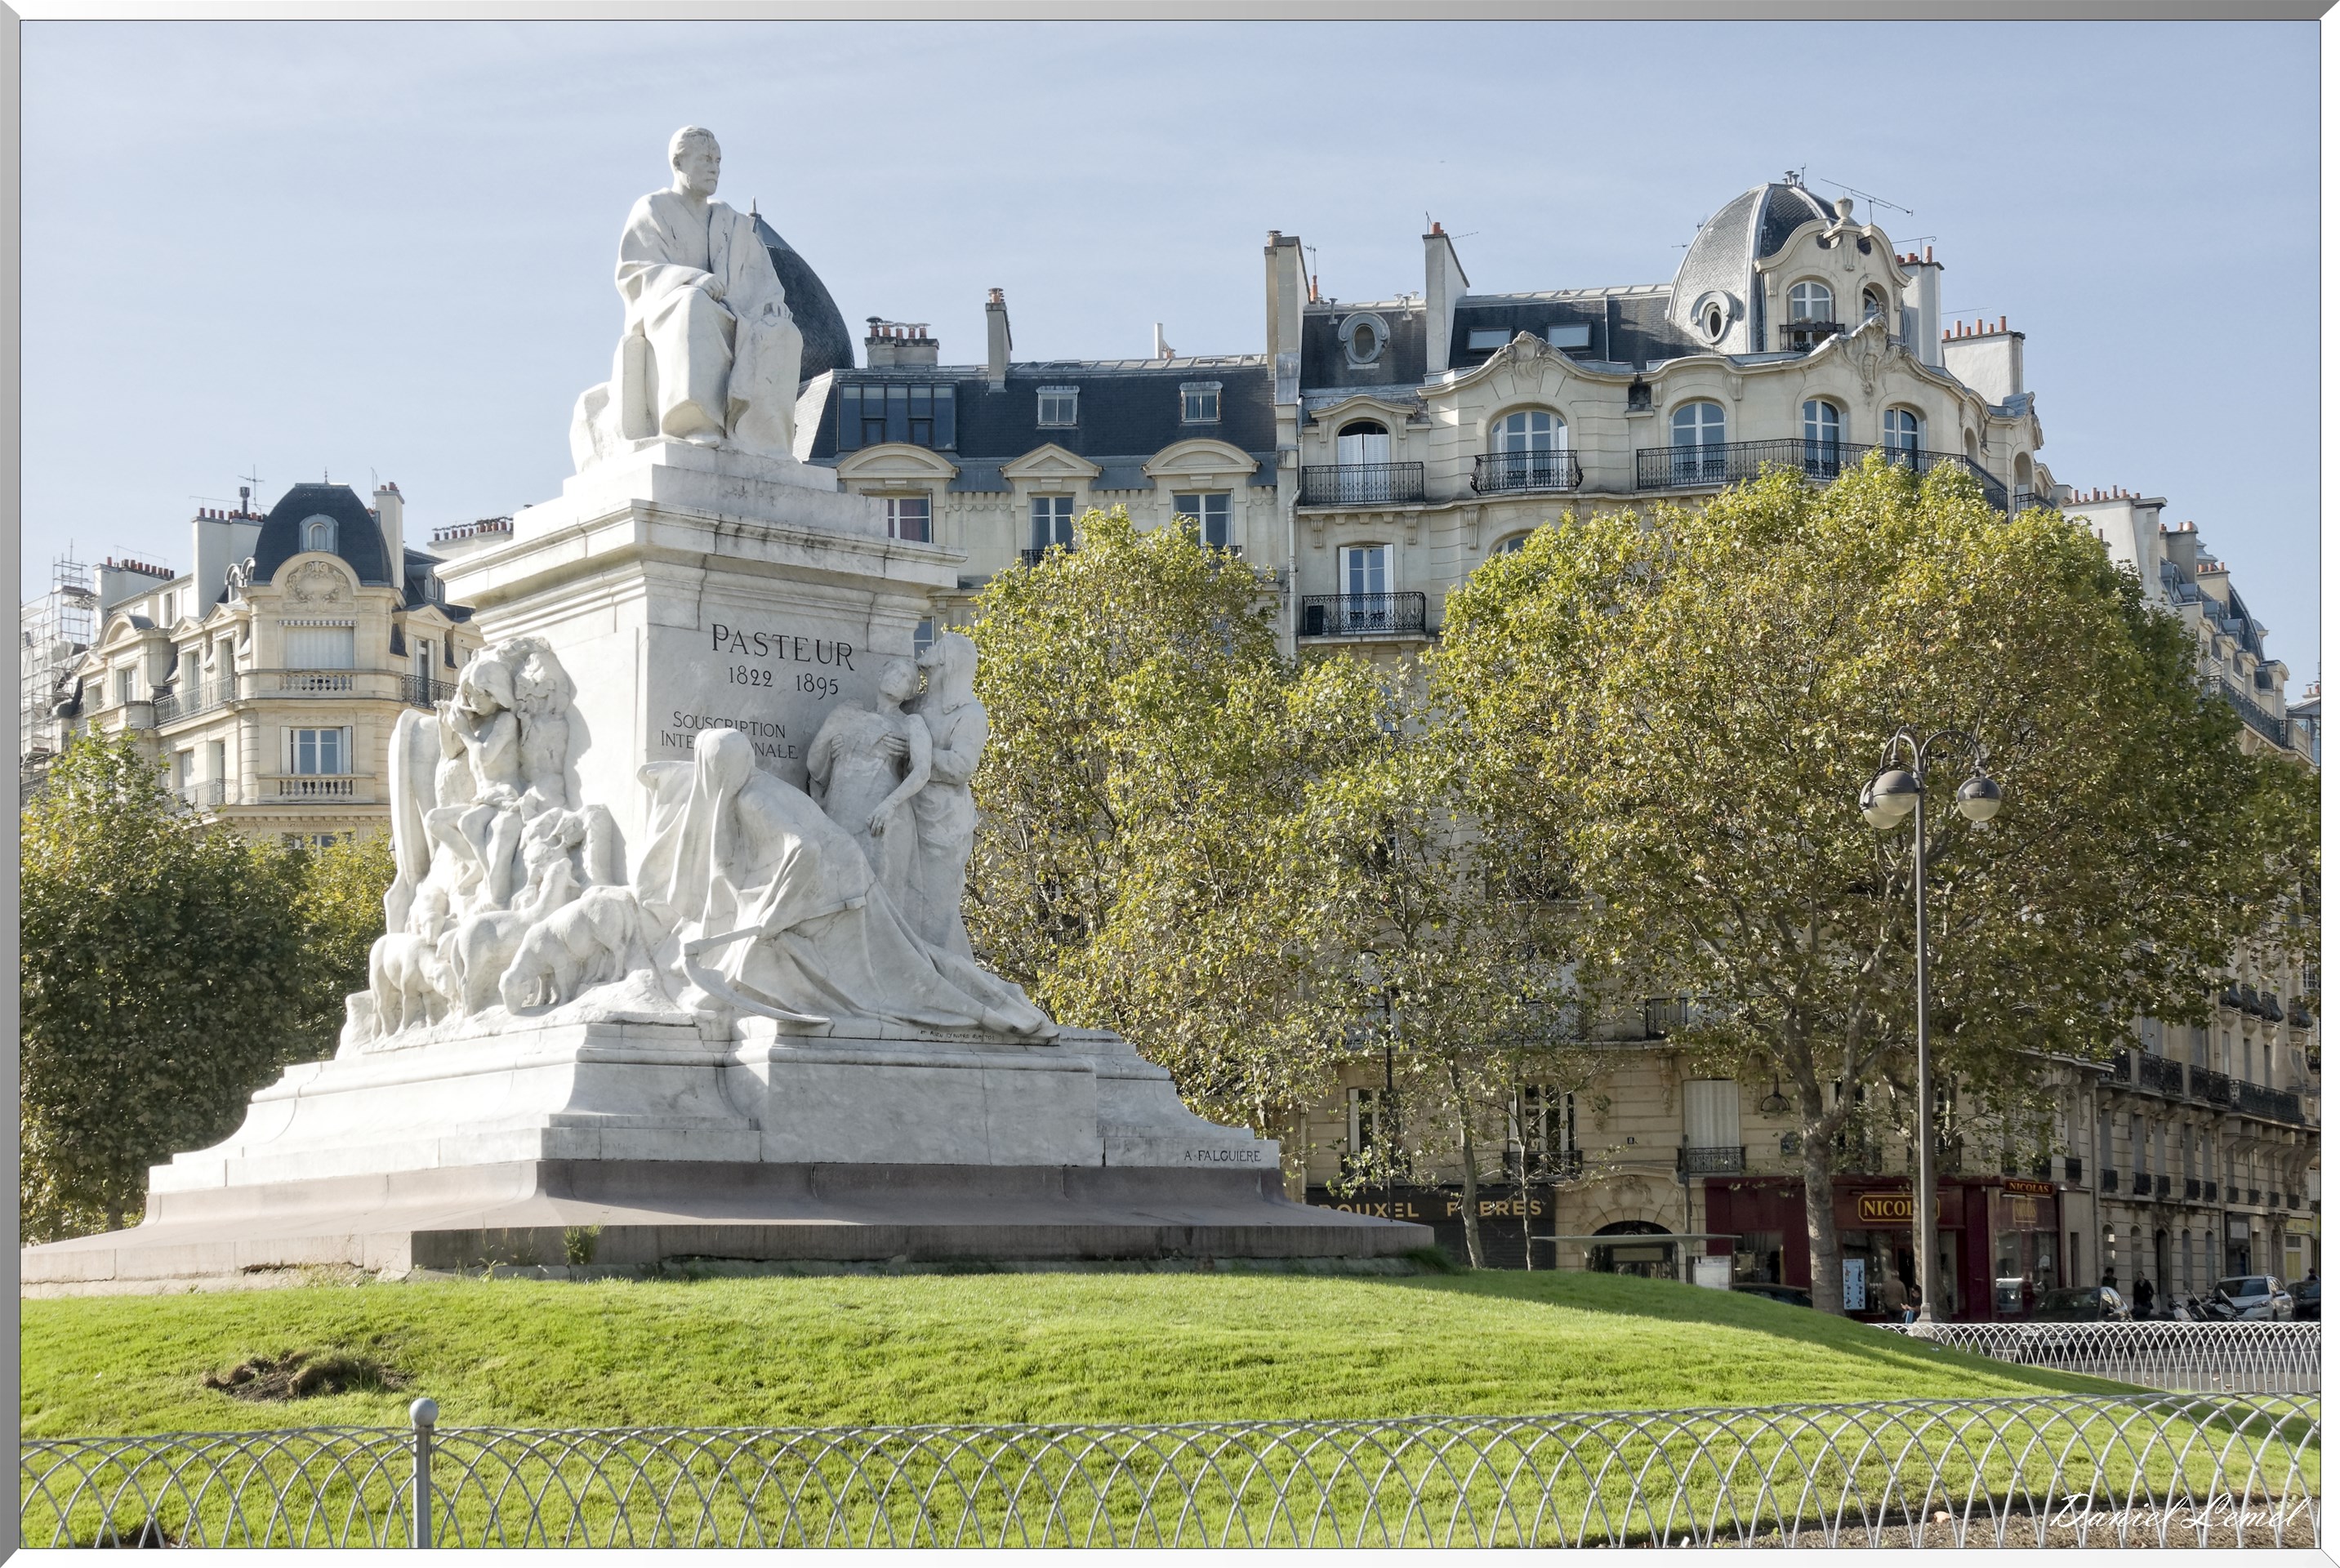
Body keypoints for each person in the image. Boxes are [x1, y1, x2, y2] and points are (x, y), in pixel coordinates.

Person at [635, 727, 1053, 1038]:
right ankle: (996, 1001)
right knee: (910, 964)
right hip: (841, 880)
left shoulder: (753, 799)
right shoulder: (759, 785)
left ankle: (994, 1009)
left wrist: (773, 917)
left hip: (835, 892)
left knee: (895, 980)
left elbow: (804, 851)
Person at [574, 126, 803, 464]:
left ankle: (763, 438)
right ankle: (694, 423)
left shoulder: (733, 222)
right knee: (692, 304)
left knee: (783, 331)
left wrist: (770, 304)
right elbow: (635, 273)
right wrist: (691, 280)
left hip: (735, 317)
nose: (714, 168)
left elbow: (763, 282)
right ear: (679, 163)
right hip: (672, 315)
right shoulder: (652, 209)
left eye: (718, 160)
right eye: (705, 159)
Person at [805, 659, 930, 901]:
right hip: (841, 808)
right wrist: (831, 751)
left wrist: (889, 805)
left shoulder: (910, 723)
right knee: (838, 885)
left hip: (881, 816)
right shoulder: (848, 713)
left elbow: (922, 771)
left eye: (906, 678)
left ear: (911, 692)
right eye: (894, 670)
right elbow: (815, 763)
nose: (898, 678)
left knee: (877, 895)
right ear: (881, 672)